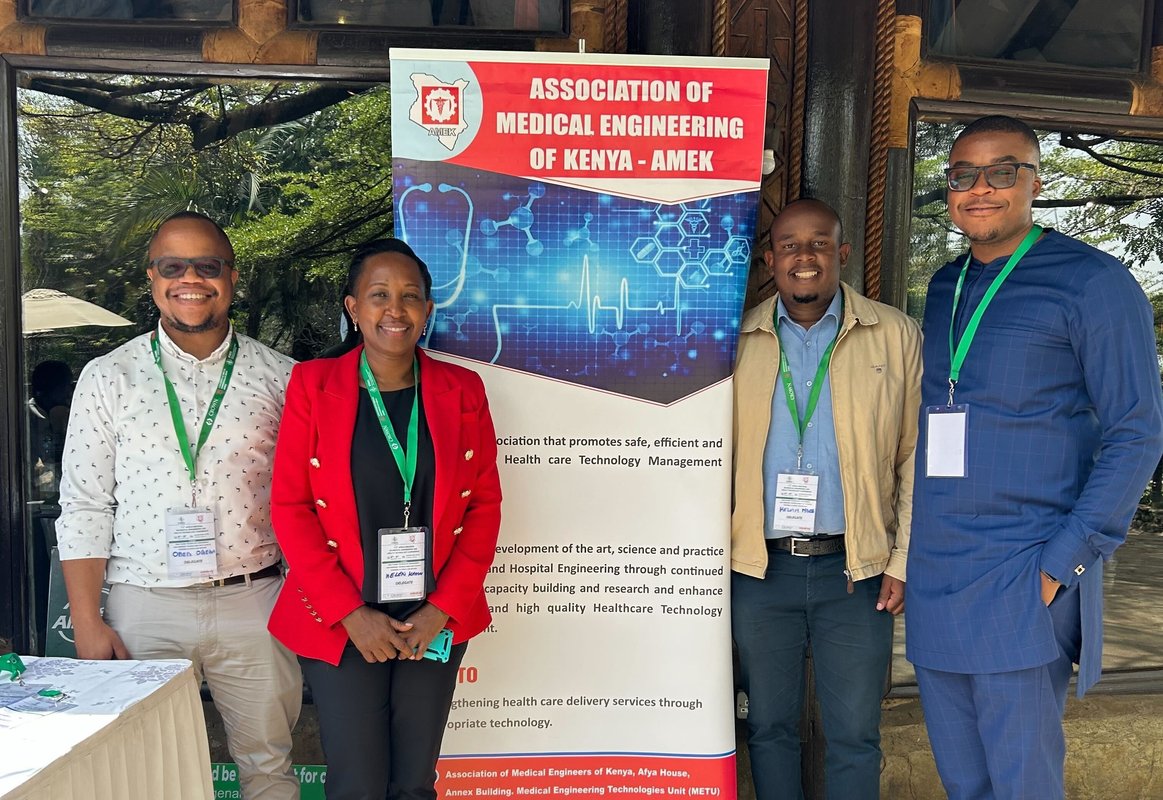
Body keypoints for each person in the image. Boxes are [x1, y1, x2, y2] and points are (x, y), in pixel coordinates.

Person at [907, 115, 1163, 800]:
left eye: (1001, 170)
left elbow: (1136, 432)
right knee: (963, 783)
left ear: (1034, 181)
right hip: (936, 576)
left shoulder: (1093, 283)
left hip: (1021, 573)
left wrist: (1063, 564)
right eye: (962, 175)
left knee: (1021, 784)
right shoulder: (942, 286)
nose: (979, 188)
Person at [56, 211, 301, 800]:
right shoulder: (107, 377)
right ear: (152, 279)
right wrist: (88, 622)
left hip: (255, 601)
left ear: (231, 277)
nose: (190, 278)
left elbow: (304, 501)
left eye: (207, 265)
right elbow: (85, 503)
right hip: (143, 606)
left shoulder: (284, 379)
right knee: (144, 776)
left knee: (269, 767)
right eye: (173, 266)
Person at [267, 238, 502, 799]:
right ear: (353, 308)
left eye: (410, 297)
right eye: (379, 295)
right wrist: (349, 614)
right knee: (357, 783)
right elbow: (290, 507)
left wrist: (442, 610)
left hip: (431, 618)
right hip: (343, 619)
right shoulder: (313, 385)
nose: (394, 310)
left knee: (416, 782)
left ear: (427, 309)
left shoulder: (463, 390)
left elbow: (485, 506)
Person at [731, 198, 922, 800]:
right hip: (759, 570)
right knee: (768, 727)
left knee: (855, 734)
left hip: (858, 573)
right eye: (789, 244)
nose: (804, 255)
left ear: (841, 253)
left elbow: (916, 457)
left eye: (819, 243)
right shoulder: (734, 341)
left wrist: (903, 559)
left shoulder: (893, 333)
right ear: (771, 259)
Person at [27, 359, 73, 499]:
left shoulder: (66, 413)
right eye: (66, 387)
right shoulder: (28, 418)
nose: (69, 393)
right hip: (37, 493)